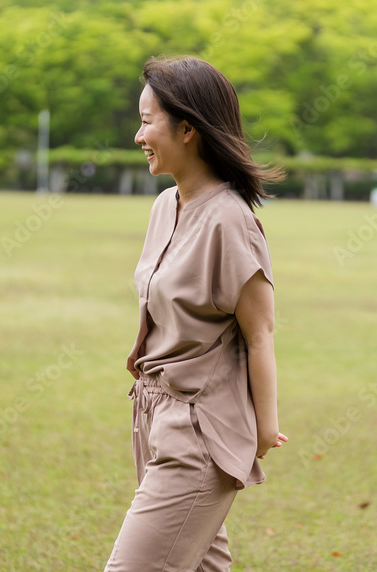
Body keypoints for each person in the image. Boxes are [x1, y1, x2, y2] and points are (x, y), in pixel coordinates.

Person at [104, 56, 288, 571]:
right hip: (153, 416)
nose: (137, 135)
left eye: (146, 121)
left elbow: (260, 332)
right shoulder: (165, 205)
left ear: (187, 129)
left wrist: (265, 428)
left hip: (199, 432)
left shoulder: (231, 222)